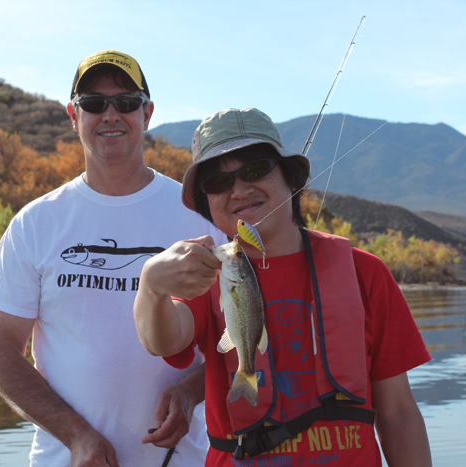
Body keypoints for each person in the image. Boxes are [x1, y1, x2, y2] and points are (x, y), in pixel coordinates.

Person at [133, 107, 433, 466]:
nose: (239, 190)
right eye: (217, 182)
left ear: (291, 178)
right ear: (207, 204)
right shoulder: (207, 274)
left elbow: (398, 410)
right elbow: (162, 341)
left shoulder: (366, 272)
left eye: (255, 169)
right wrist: (151, 287)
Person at [0, 50, 224, 467]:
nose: (111, 115)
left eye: (125, 102)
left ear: (147, 114)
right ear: (74, 116)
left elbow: (234, 340)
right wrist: (76, 436)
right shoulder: (34, 223)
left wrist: (191, 391)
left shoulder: (200, 215)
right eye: (94, 103)